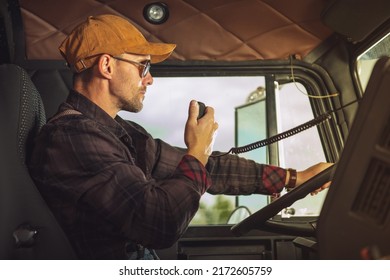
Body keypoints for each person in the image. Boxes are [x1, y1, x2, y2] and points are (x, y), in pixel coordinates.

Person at [28, 14, 332, 260]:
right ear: (107, 65)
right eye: (143, 65)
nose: (149, 78)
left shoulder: (117, 132)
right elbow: (159, 222)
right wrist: (197, 151)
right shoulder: (72, 137)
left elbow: (207, 168)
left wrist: (296, 178)